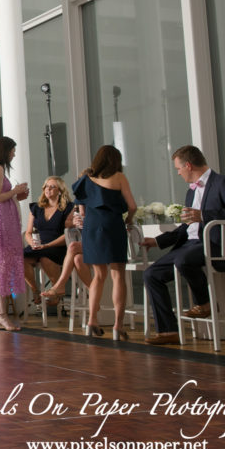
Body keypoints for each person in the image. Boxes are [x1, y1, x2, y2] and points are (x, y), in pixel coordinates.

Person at [140, 145, 225, 345]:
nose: (178, 173)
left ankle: (204, 303)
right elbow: (185, 227)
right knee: (151, 274)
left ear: (188, 165)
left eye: (178, 168)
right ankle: (169, 331)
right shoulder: (190, 192)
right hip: (190, 245)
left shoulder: (224, 183)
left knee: (183, 259)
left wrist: (203, 216)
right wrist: (158, 241)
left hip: (215, 244)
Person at [72, 145, 137, 341]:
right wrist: (129, 219)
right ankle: (118, 326)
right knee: (118, 276)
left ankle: (92, 321)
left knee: (98, 276)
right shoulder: (118, 177)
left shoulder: (86, 180)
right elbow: (132, 206)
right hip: (112, 225)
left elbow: (81, 211)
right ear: (115, 160)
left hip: (92, 227)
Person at [0, 136, 29, 332]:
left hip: (4, 221)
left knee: (2, 266)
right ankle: (0, 313)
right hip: (0, 223)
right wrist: (15, 190)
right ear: (5, 151)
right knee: (0, 268)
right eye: (12, 150)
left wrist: (17, 195)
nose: (14, 154)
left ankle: (0, 313)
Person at [22, 176, 75, 306]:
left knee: (45, 258)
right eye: (46, 186)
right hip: (38, 245)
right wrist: (32, 243)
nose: (48, 189)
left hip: (57, 246)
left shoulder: (68, 208)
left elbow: (68, 234)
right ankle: (35, 290)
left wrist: (47, 245)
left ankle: (55, 289)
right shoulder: (36, 208)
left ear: (60, 191)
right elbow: (28, 233)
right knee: (20, 258)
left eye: (52, 187)